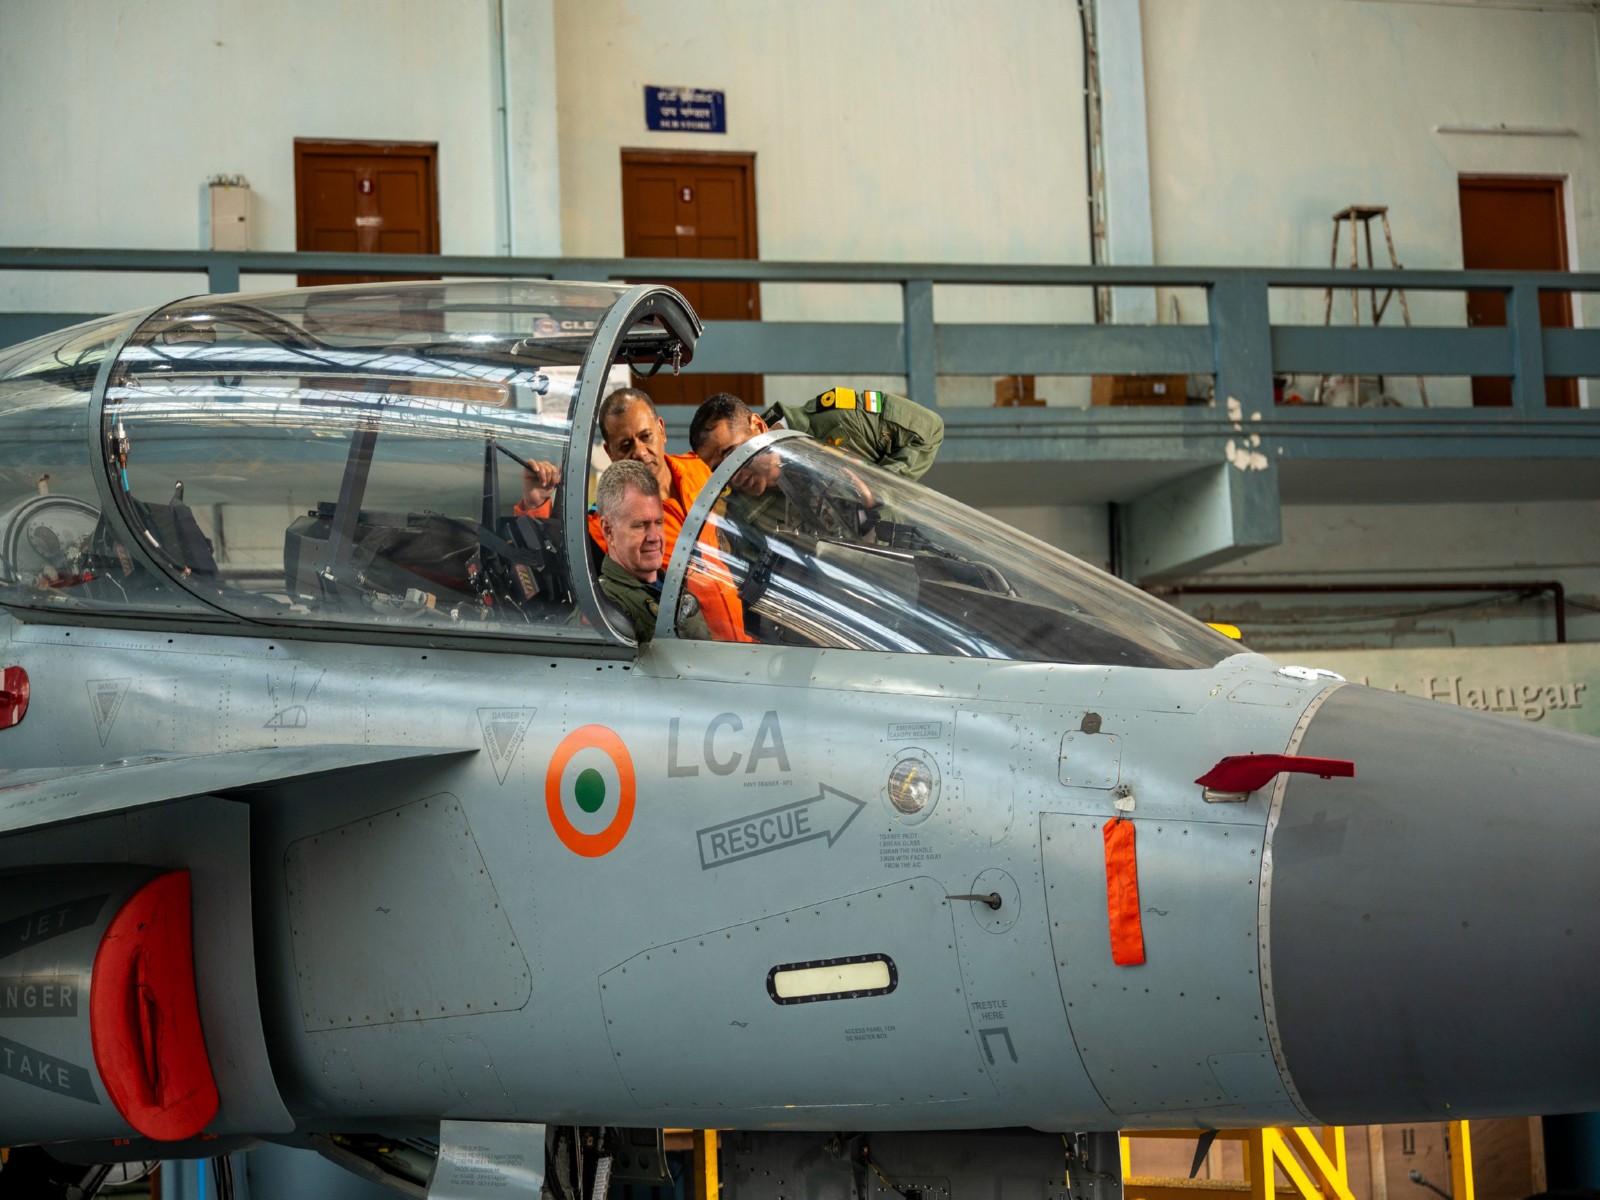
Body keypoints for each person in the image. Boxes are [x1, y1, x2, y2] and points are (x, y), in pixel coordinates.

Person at [688, 387, 944, 482]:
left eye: (732, 454)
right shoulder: (741, 511)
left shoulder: (837, 419)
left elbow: (928, 430)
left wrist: (877, 487)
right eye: (718, 470)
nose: (733, 474)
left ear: (758, 425)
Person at [594, 460, 709, 643]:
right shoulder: (604, 606)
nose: (654, 537)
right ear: (608, 530)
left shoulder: (672, 589)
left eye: (658, 522)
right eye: (640, 525)